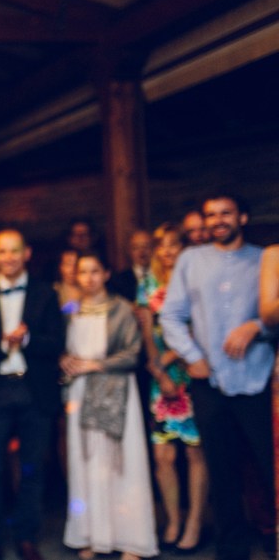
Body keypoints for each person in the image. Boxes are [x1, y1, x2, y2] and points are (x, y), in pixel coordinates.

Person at [160, 193, 276, 560]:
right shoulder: (190, 260)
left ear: (243, 218)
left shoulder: (264, 259)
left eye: (226, 213)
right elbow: (170, 316)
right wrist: (192, 356)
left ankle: (273, 540)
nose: (218, 220)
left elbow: (276, 314)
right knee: (221, 471)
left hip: (258, 381)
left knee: (269, 467)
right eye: (211, 215)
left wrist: (256, 327)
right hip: (209, 383)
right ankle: (231, 549)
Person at [0, 228, 65, 560]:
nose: (8, 257)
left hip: (35, 391)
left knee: (32, 468)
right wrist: (4, 343)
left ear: (26, 253)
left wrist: (28, 340)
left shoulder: (46, 293)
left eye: (14, 250)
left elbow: (57, 342)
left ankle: (27, 537)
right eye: (2, 251)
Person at [60, 251, 157, 560]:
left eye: (95, 271)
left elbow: (133, 353)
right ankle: (91, 534)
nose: (89, 278)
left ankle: (131, 539)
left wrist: (94, 364)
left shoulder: (122, 308)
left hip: (117, 390)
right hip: (80, 393)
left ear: (106, 274)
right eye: (83, 272)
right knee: (86, 462)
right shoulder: (70, 309)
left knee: (122, 462)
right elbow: (61, 347)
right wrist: (65, 360)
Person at [137, 224, 206, 552]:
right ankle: (173, 520)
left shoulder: (195, 279)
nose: (166, 251)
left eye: (173, 244)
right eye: (161, 245)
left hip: (193, 372)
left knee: (194, 452)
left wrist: (171, 357)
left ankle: (195, 522)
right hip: (160, 378)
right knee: (163, 455)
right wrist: (158, 369)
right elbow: (146, 332)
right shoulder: (147, 284)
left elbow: (203, 326)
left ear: (184, 248)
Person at [108, 229, 153, 302]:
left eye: (146, 246)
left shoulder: (161, 275)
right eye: (136, 247)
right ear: (129, 251)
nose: (142, 251)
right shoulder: (118, 280)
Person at [52, 248, 81, 312]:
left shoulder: (89, 289)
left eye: (76, 264)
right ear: (61, 267)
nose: (73, 269)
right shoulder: (54, 290)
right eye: (68, 264)